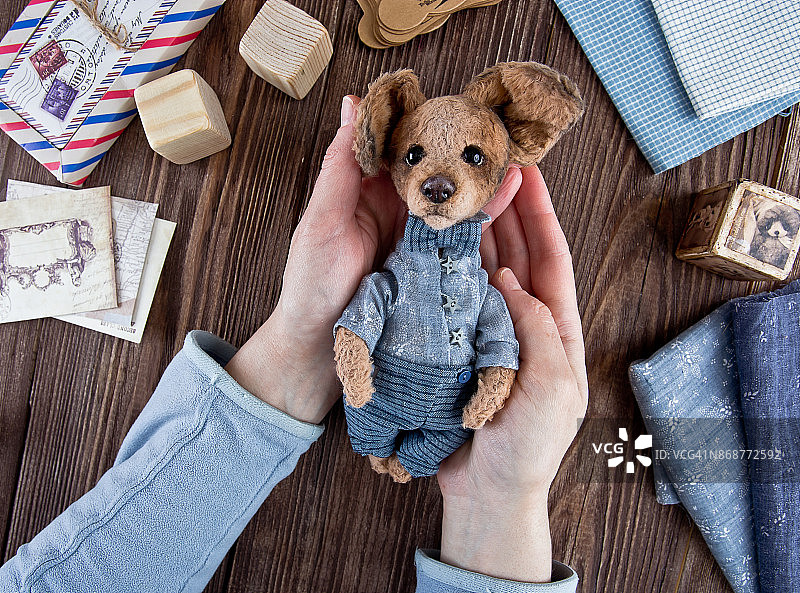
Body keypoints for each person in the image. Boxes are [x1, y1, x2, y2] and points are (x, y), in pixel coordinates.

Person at [0, 96, 588, 593]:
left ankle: (405, 450)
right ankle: (383, 438)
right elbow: (372, 301)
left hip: (446, 416)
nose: (437, 178)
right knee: (372, 421)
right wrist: (340, 346)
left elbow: (496, 334)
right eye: (415, 156)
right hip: (376, 395)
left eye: (470, 157)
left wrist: (495, 389)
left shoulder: (481, 288)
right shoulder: (397, 271)